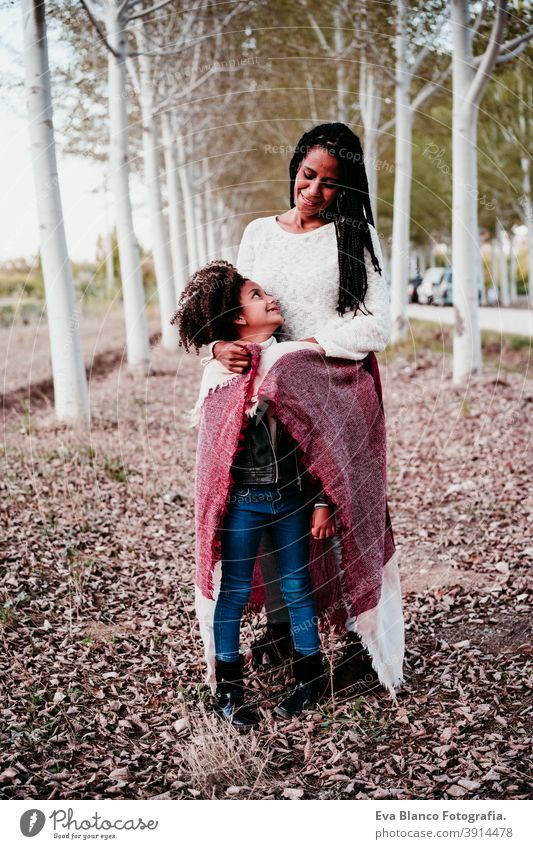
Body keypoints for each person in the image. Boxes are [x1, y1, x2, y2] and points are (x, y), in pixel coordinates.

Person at [202, 122, 392, 692]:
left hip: (331, 390)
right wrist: (218, 346)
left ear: (348, 190)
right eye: (307, 176)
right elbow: (226, 308)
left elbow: (379, 322)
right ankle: (285, 631)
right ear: (294, 170)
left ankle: (358, 637)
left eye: (330, 184)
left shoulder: (353, 237)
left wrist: (306, 350)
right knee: (261, 508)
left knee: (334, 509)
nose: (313, 191)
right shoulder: (259, 233)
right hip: (261, 398)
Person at [171, 260, 337, 728]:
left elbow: (320, 437)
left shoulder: (296, 361)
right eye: (258, 296)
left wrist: (323, 499)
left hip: (292, 501)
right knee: (234, 592)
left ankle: (309, 677)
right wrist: (216, 349)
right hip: (241, 504)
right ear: (239, 318)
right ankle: (228, 689)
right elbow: (215, 451)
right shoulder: (219, 372)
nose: (271, 299)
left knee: (298, 588)